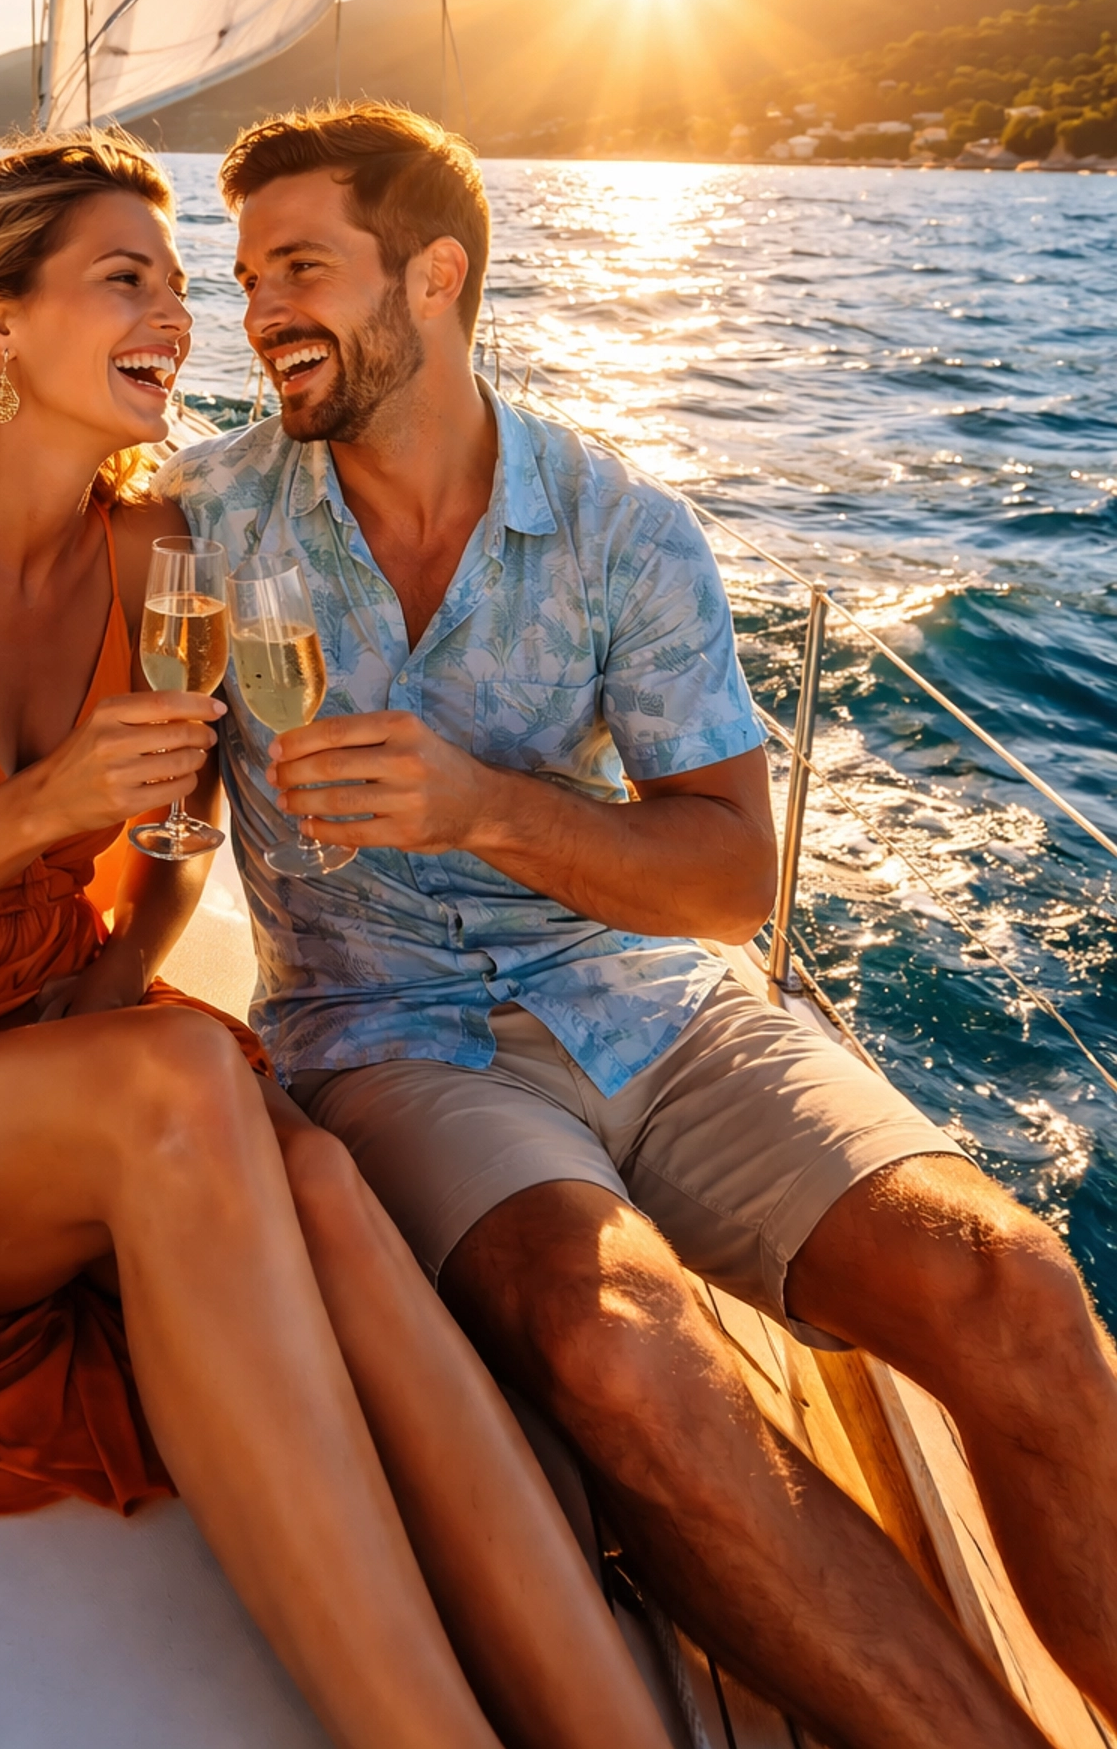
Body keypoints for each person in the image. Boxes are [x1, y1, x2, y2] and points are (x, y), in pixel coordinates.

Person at [0, 135, 672, 1749]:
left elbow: (175, 851)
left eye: (183, 284)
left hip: (56, 1054)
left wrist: (92, 993)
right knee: (182, 1077)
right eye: (127, 279)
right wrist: (37, 817)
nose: (181, 314)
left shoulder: (150, 550)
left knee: (312, 1173)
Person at [158, 100, 1117, 1749]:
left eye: (300, 269)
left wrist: (486, 808)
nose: (258, 315)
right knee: (619, 1348)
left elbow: (733, 880)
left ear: (436, 277)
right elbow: (139, 775)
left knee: (1013, 1288)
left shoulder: (623, 531)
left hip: (661, 1008)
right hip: (394, 1039)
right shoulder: (205, 524)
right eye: (245, 277)